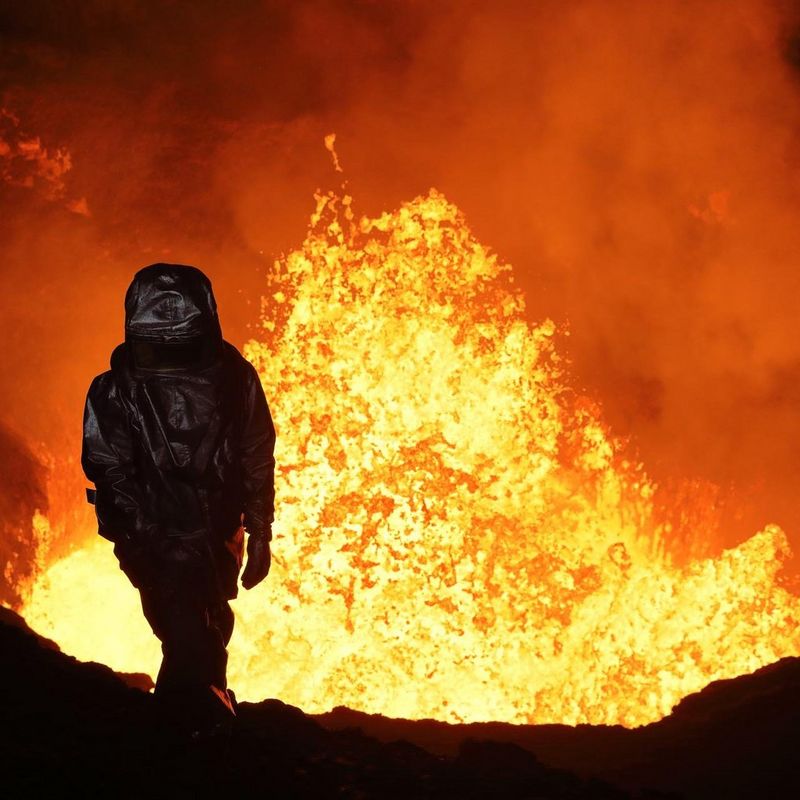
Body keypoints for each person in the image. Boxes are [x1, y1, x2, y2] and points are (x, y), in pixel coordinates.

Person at [81, 263, 275, 736]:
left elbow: (254, 454)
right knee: (188, 635)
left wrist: (260, 531)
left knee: (207, 627)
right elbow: (110, 469)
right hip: (156, 539)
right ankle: (190, 731)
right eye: (158, 346)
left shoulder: (236, 381)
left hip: (214, 537)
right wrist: (153, 542)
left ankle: (190, 731)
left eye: (180, 345)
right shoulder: (116, 392)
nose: (170, 357)